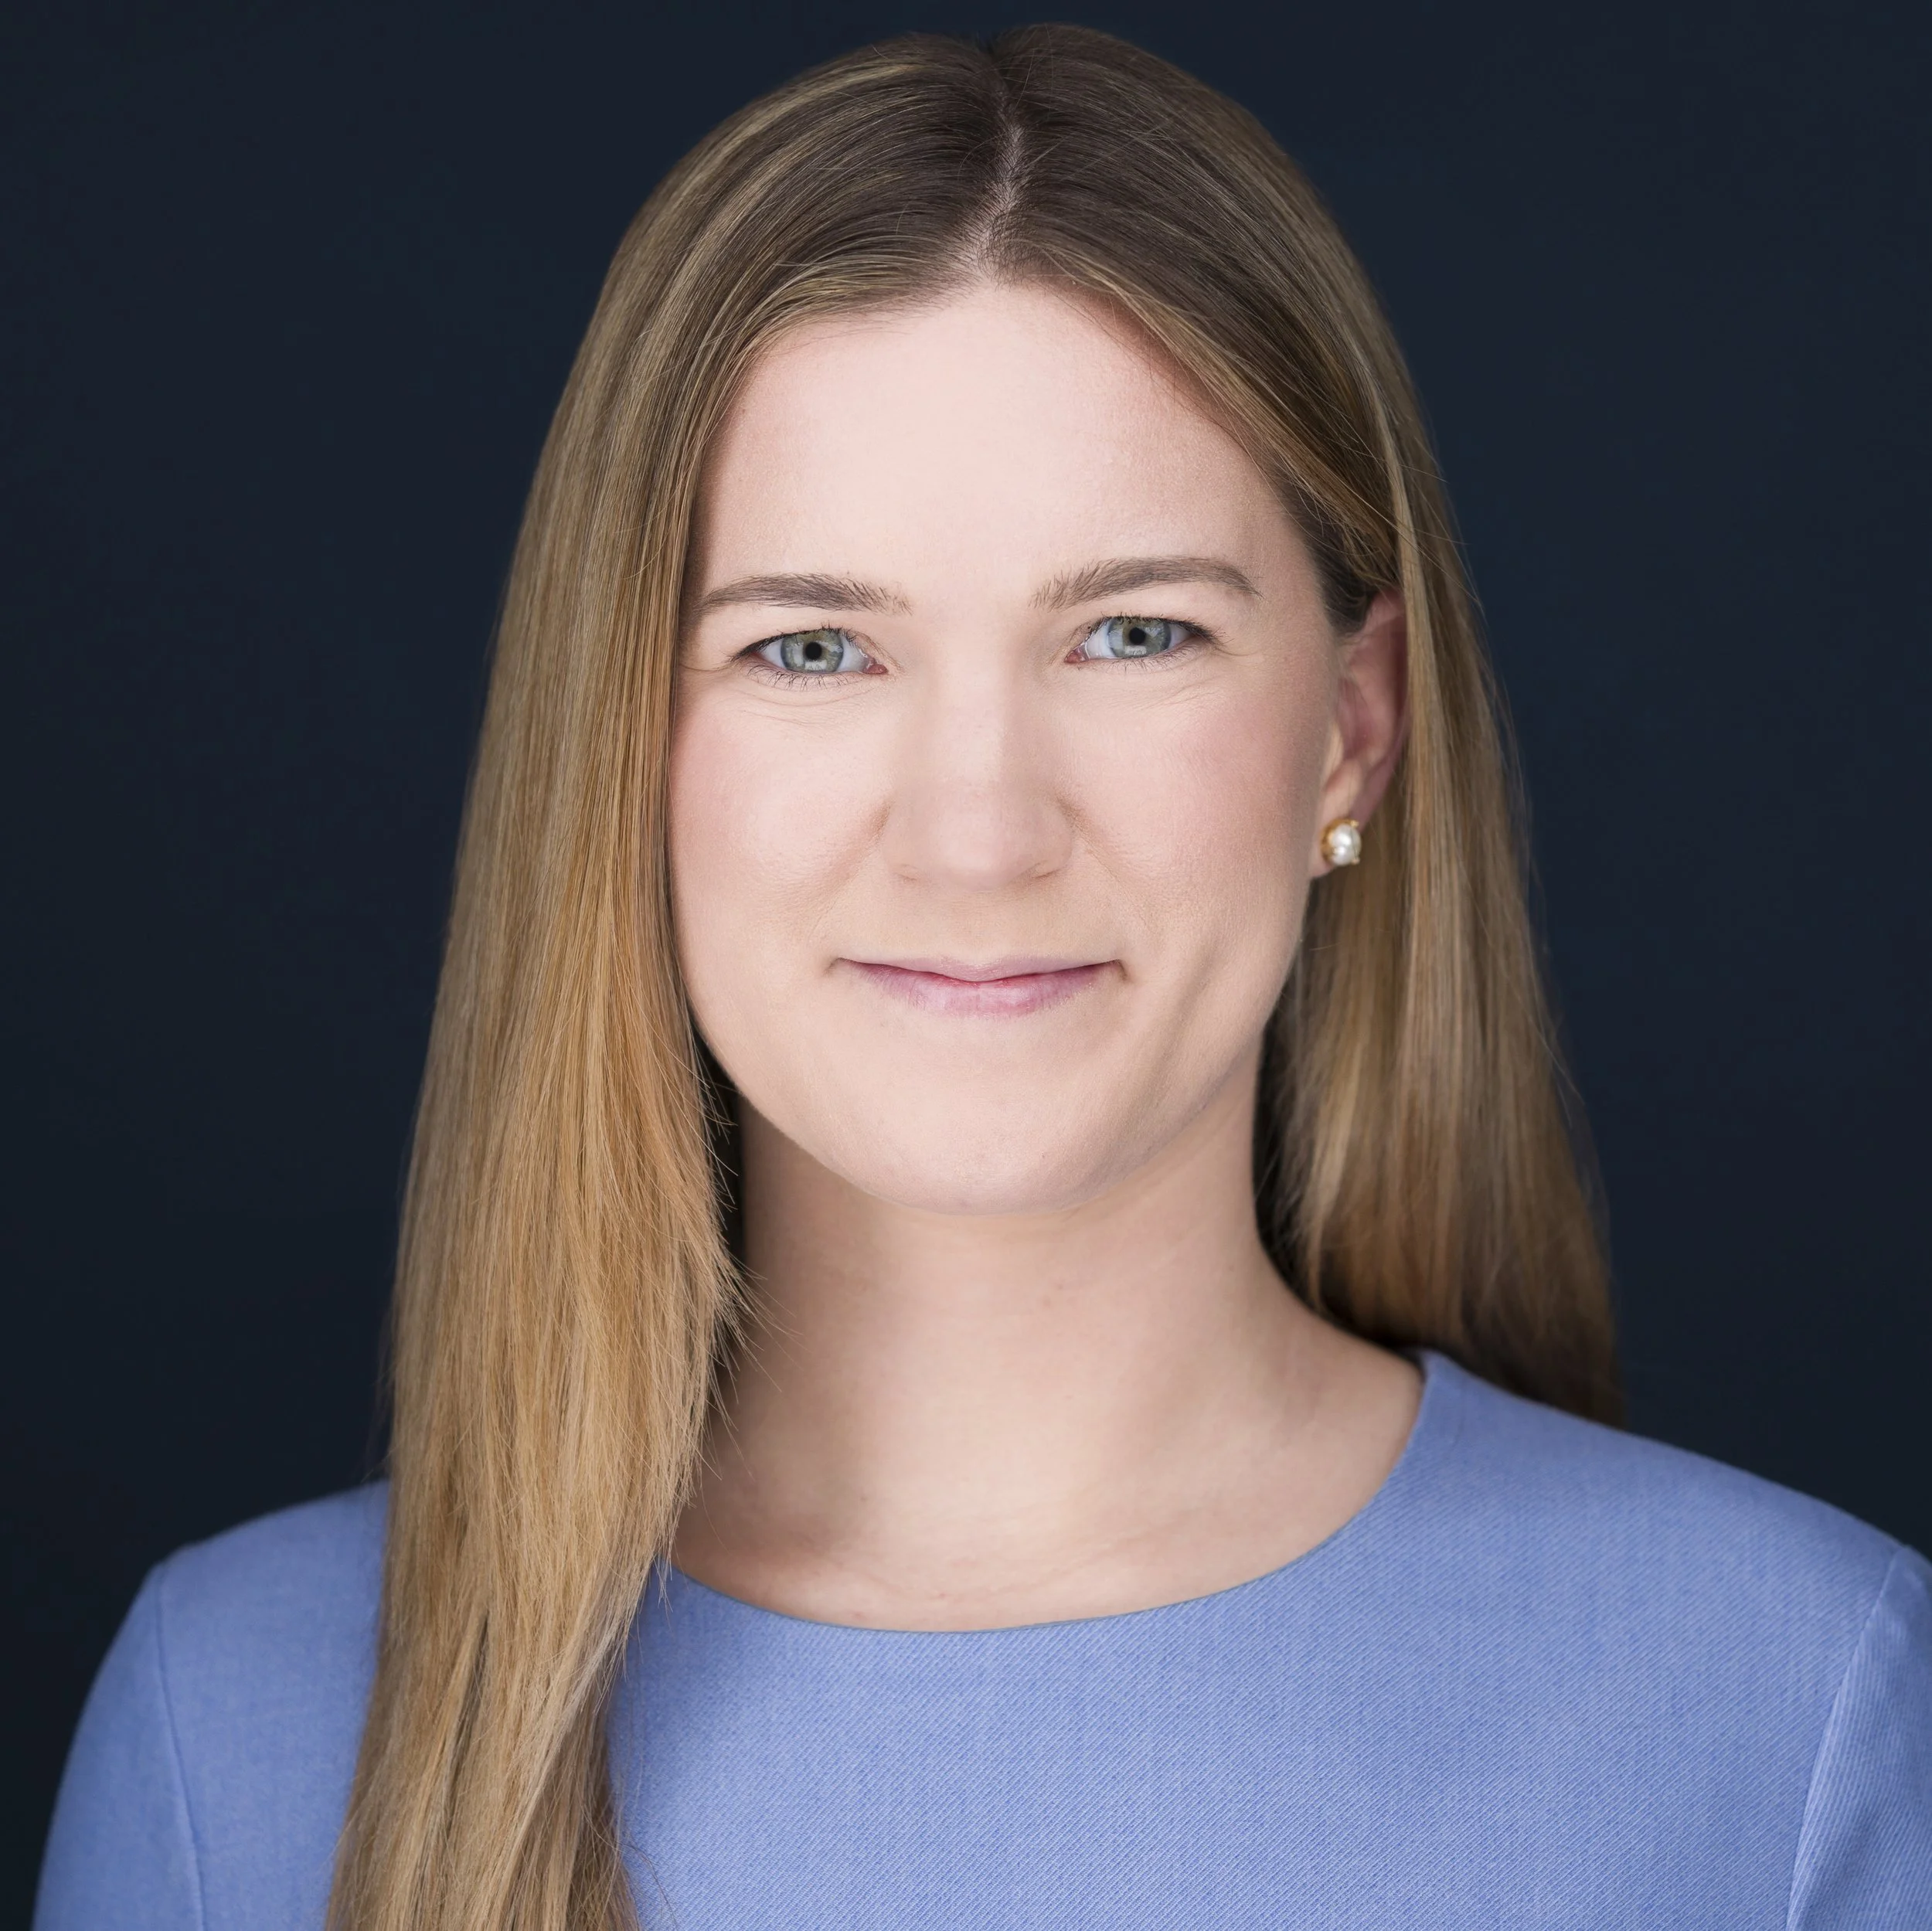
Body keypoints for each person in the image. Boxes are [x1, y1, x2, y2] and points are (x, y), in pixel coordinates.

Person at [34, 25, 1931, 1931]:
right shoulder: (236, 1729)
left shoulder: (1792, 1715)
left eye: (1130, 633)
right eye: (810, 650)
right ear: (618, 747)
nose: (975, 832)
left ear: (1349, 736)